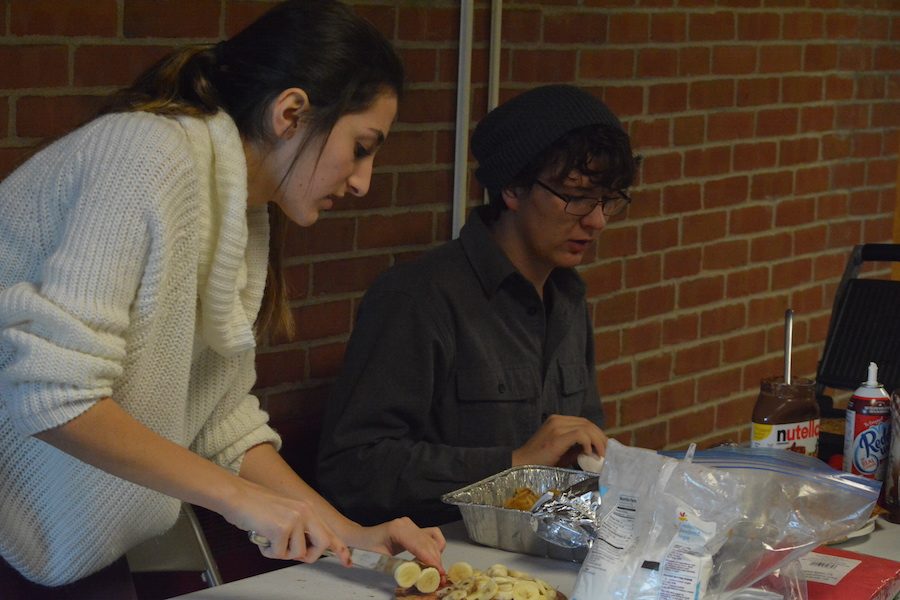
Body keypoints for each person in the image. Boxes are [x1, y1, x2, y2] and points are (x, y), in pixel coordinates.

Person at [0, 0, 445, 595]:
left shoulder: (242, 212)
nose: (363, 180)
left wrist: (351, 535)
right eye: (362, 147)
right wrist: (240, 501)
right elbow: (54, 393)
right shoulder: (144, 154)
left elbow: (220, 418)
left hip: (66, 551)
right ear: (291, 112)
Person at [317, 84, 640, 526]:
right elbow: (352, 469)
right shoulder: (419, 297)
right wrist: (511, 463)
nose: (597, 220)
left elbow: (583, 450)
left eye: (609, 200)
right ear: (512, 188)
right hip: (436, 561)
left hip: (542, 557)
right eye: (576, 196)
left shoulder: (568, 298)